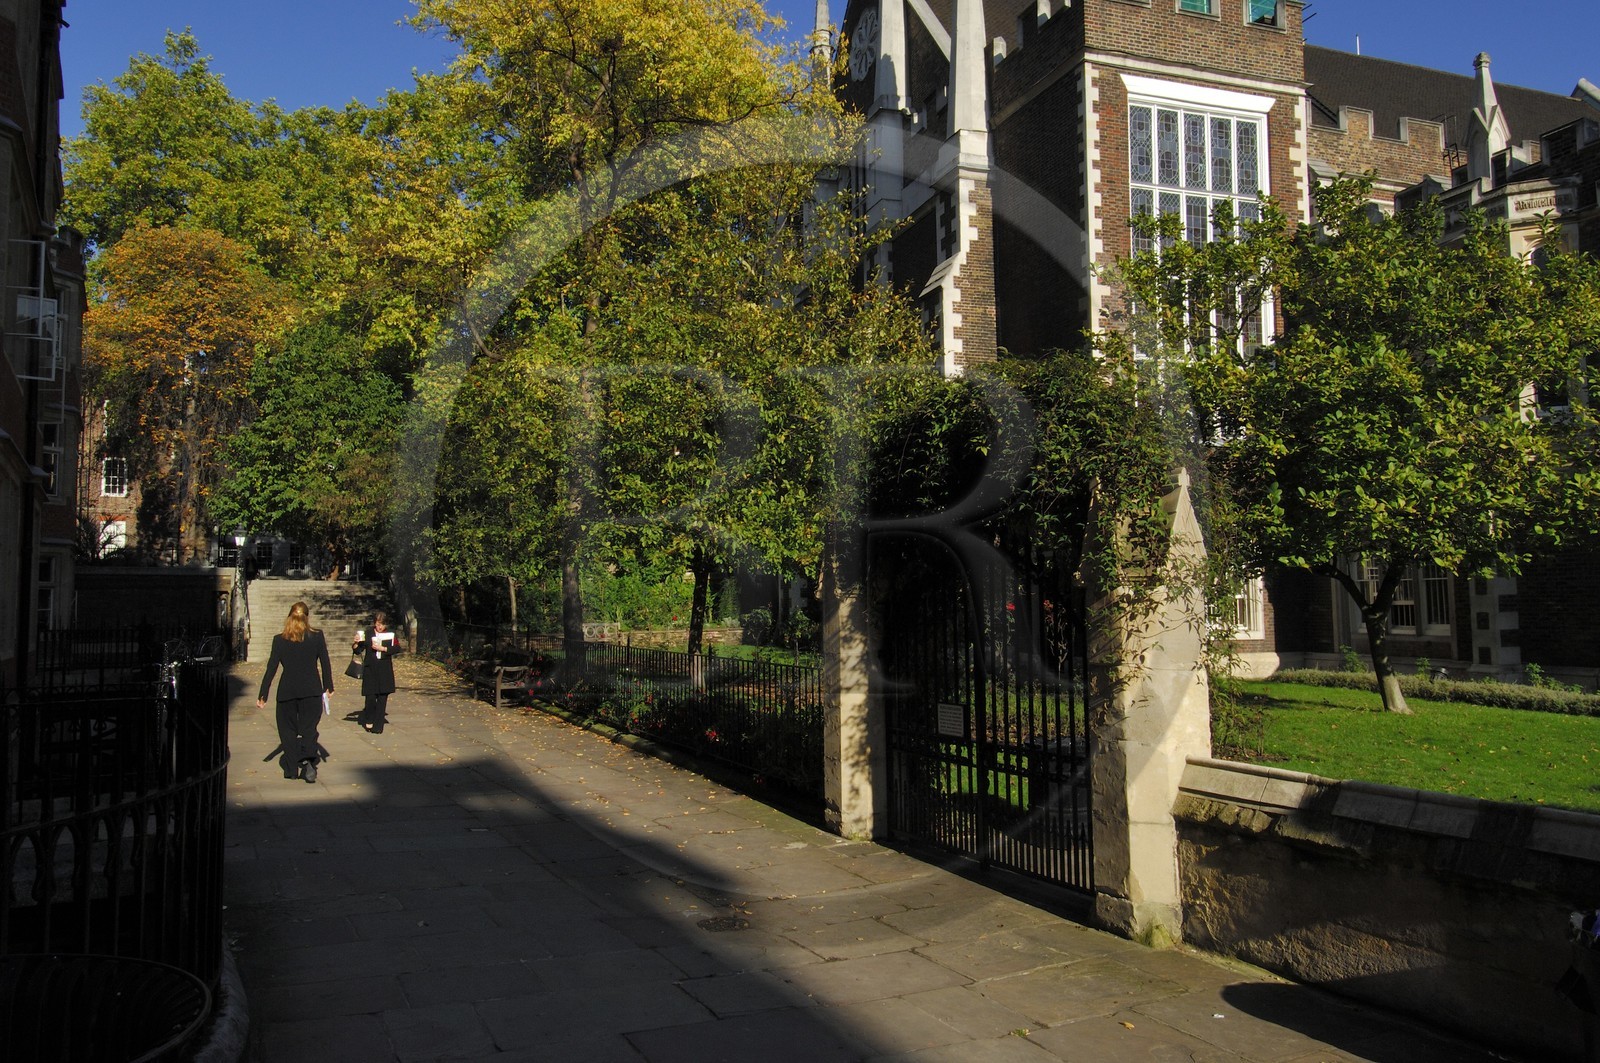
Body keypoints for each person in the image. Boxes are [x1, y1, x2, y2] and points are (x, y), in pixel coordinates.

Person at [257, 601, 334, 783]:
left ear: (289, 617)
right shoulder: (316, 636)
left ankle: (291, 769)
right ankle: (308, 762)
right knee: (308, 729)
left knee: (287, 730)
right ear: (307, 618)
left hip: (287, 691)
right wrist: (328, 686)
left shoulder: (279, 639)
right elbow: (325, 662)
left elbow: (271, 668)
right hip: (311, 689)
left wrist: (263, 694)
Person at [354, 611, 398, 733]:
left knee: (382, 698)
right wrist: (356, 643)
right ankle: (369, 719)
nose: (380, 627)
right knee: (370, 698)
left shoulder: (390, 634)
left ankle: (378, 726)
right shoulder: (368, 633)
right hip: (370, 669)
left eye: (383, 624)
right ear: (375, 623)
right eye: (378, 624)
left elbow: (396, 648)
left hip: (384, 670)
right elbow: (358, 650)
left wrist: (383, 649)